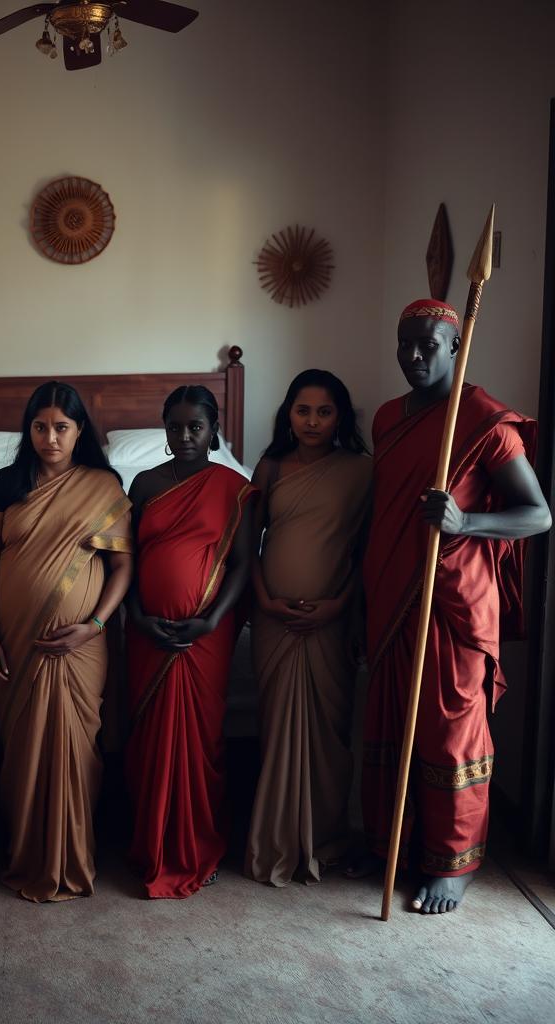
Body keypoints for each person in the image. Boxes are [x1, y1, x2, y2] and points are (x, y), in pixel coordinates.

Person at [351, 298, 550, 913]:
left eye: (428, 346)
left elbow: (537, 514)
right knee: (391, 717)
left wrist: (467, 520)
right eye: (404, 344)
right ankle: (399, 844)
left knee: (452, 728)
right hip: (390, 590)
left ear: (456, 347)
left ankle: (454, 864)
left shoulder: (487, 421)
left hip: (453, 599)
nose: (412, 357)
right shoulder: (388, 417)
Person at [0, 382, 133, 902]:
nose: (50, 437)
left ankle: (74, 854)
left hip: (83, 644)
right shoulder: (4, 483)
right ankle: (26, 852)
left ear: (80, 430)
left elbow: (122, 565)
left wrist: (97, 624)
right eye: (39, 426)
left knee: (77, 746)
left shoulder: (104, 484)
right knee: (21, 747)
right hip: (17, 643)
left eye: (61, 427)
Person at [125, 385, 255, 899]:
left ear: (213, 429)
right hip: (144, 634)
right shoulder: (142, 484)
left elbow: (245, 564)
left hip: (207, 636)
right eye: (175, 426)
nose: (184, 436)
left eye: (194, 427)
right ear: (163, 428)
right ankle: (149, 845)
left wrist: (213, 620)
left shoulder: (233, 485)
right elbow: (127, 560)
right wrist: (135, 615)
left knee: (201, 742)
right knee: (149, 742)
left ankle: (198, 844)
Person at [243, 370, 372, 887]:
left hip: (332, 621)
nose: (313, 421)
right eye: (303, 410)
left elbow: (366, 551)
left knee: (329, 734)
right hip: (272, 621)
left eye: (324, 411)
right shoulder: (270, 467)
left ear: (340, 416)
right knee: (277, 729)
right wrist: (266, 601)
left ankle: (326, 839)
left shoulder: (361, 471)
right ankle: (276, 838)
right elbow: (247, 546)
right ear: (288, 415)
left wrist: (339, 604)